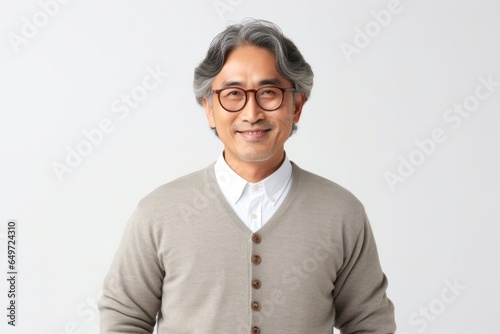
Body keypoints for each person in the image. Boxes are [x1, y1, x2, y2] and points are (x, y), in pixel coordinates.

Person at [98, 19, 396, 334]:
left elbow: (369, 322)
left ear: (297, 105)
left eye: (269, 92)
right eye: (233, 94)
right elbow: (124, 318)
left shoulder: (341, 212)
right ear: (209, 108)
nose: (251, 113)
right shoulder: (159, 213)